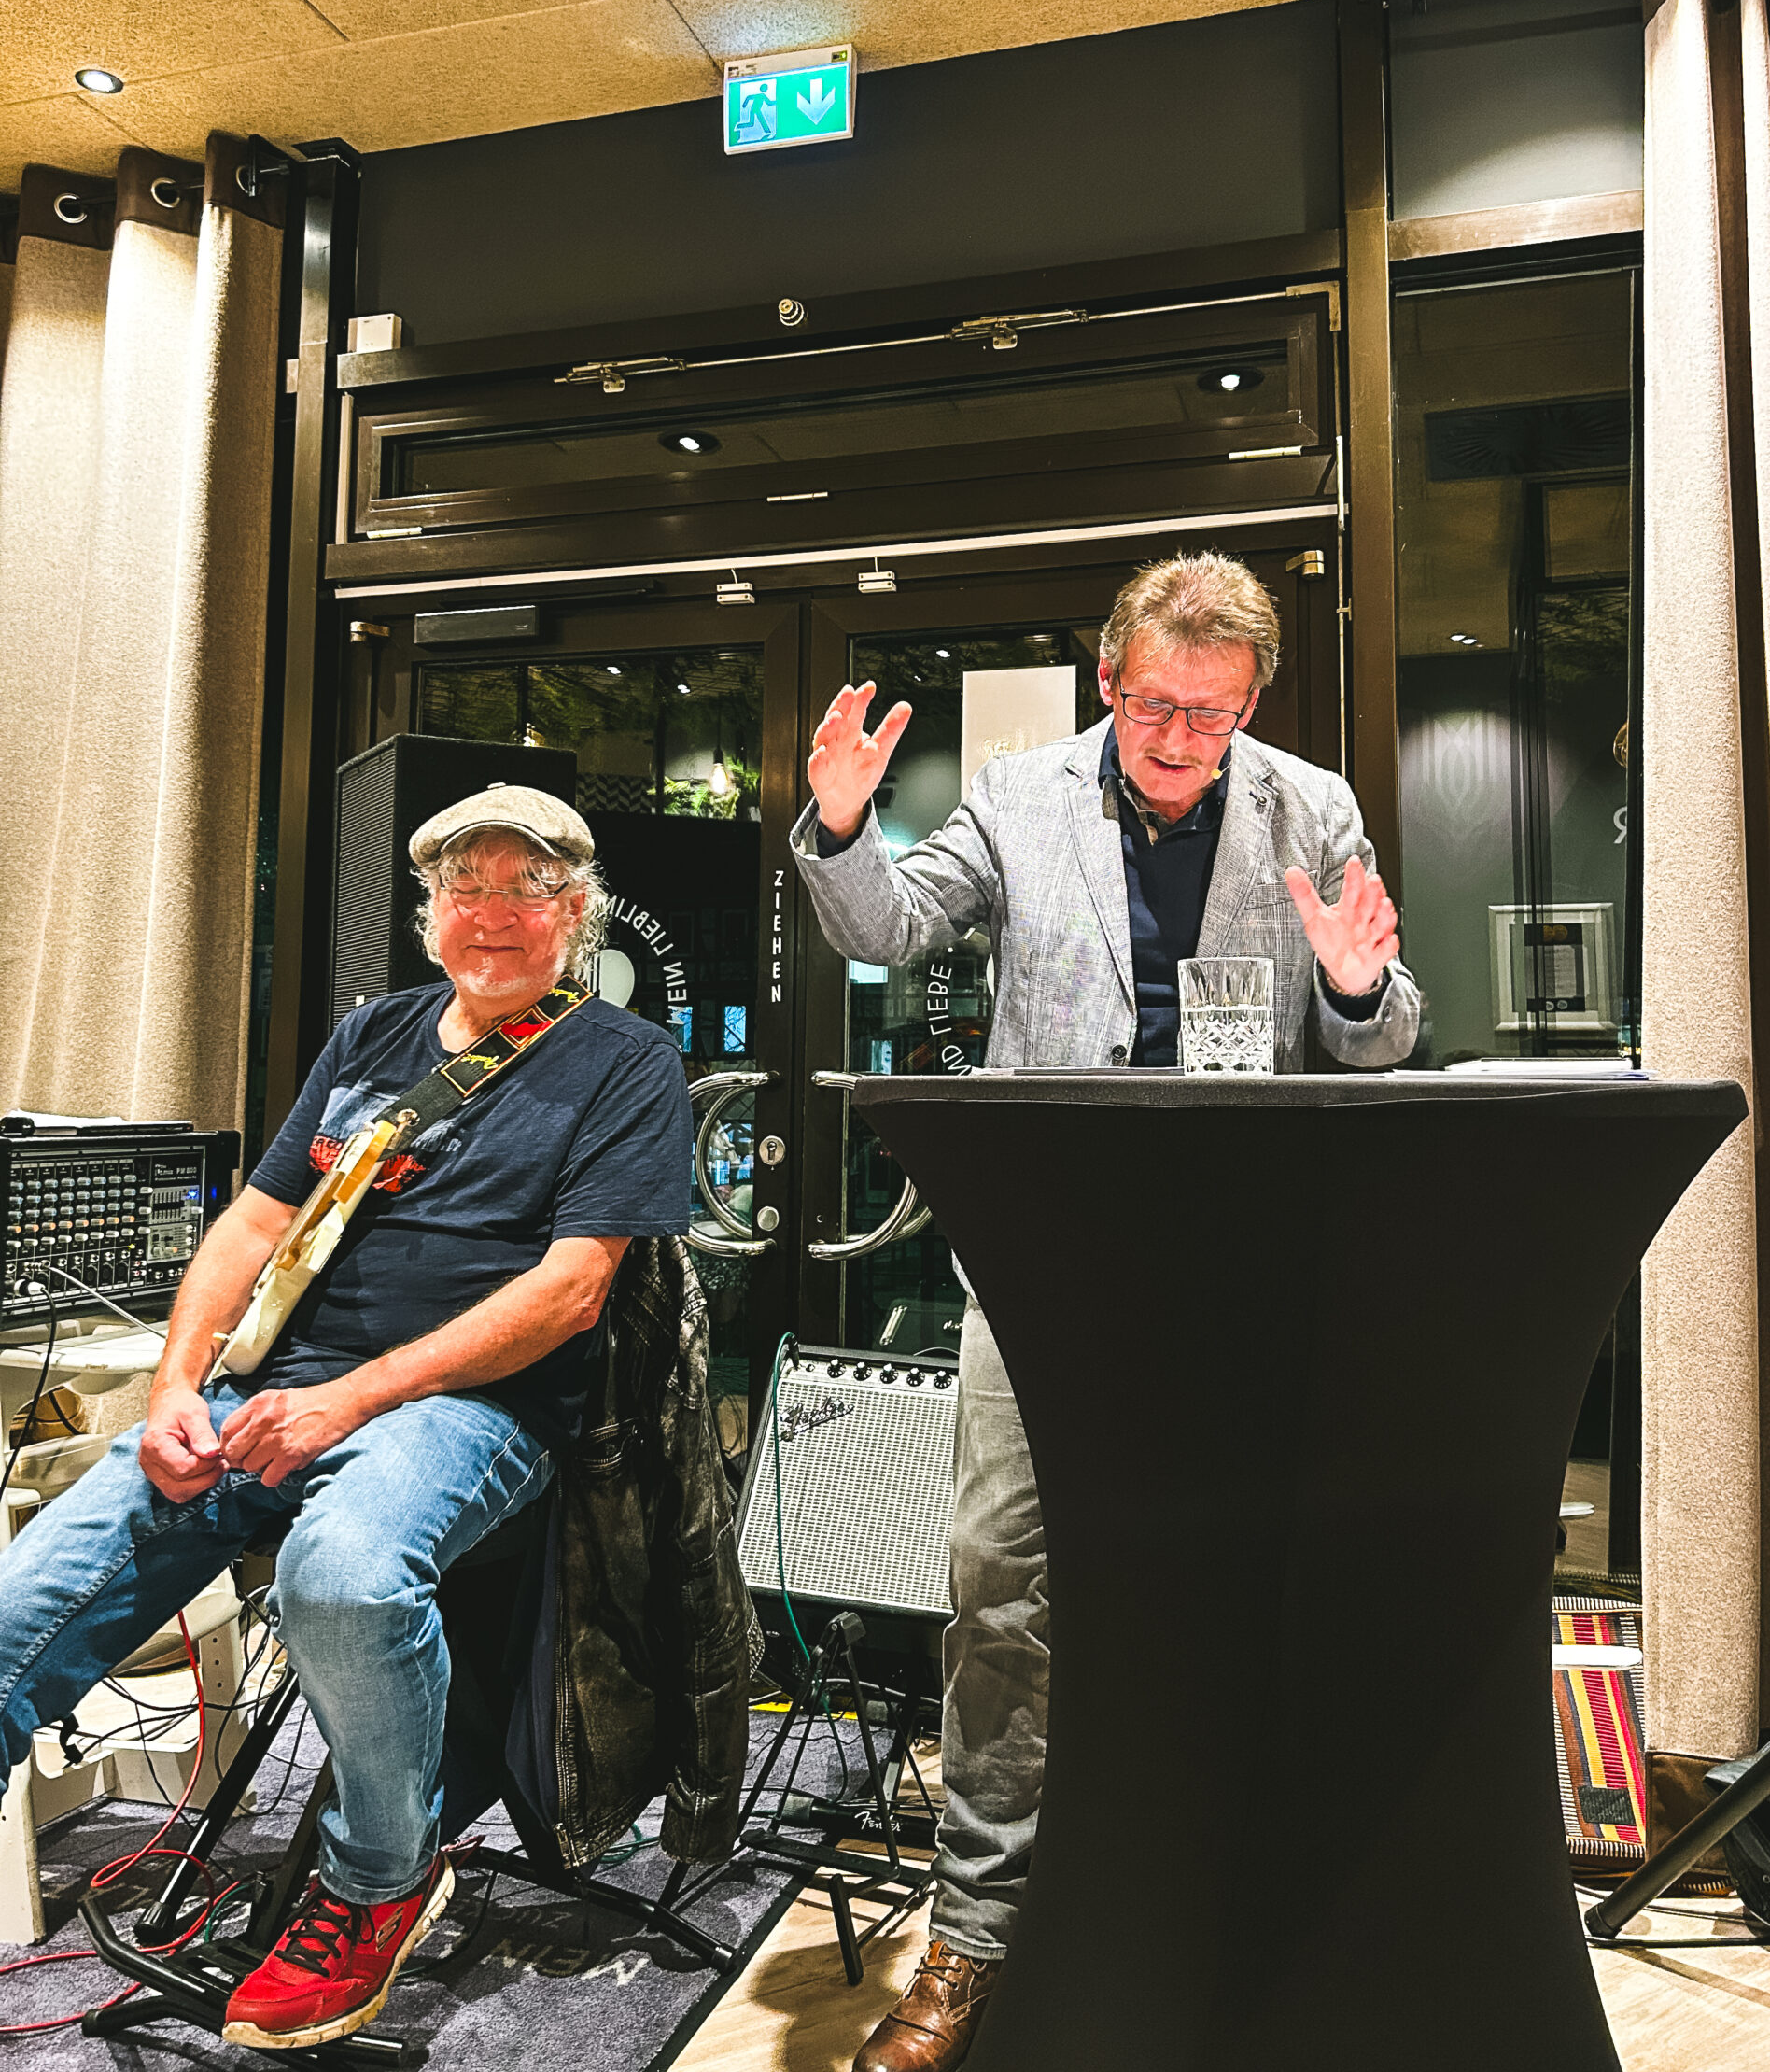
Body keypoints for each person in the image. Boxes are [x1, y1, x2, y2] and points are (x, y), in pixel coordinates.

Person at [793, 554, 1420, 2072]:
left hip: (1240, 1267)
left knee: (1239, 1583)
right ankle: (976, 1933)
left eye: (1214, 714)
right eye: (1156, 707)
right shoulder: (1020, 797)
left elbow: (1385, 1036)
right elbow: (888, 930)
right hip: (1044, 1260)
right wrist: (844, 826)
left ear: (1251, 702)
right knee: (1003, 1586)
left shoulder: (1312, 807)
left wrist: (1351, 991)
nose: (1181, 738)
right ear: (1108, 679)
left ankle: (1226, 1915)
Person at [0, 783, 697, 2050]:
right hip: (263, 1393)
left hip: (466, 1410)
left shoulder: (626, 1060)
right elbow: (253, 1225)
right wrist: (175, 1391)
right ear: (430, 910)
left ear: (576, 913)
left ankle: (379, 1882)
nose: (493, 914)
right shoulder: (371, 1036)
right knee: (19, 1601)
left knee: (342, 1573)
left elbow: (571, 1293)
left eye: (527, 889)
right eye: (466, 888)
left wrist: (346, 1401)